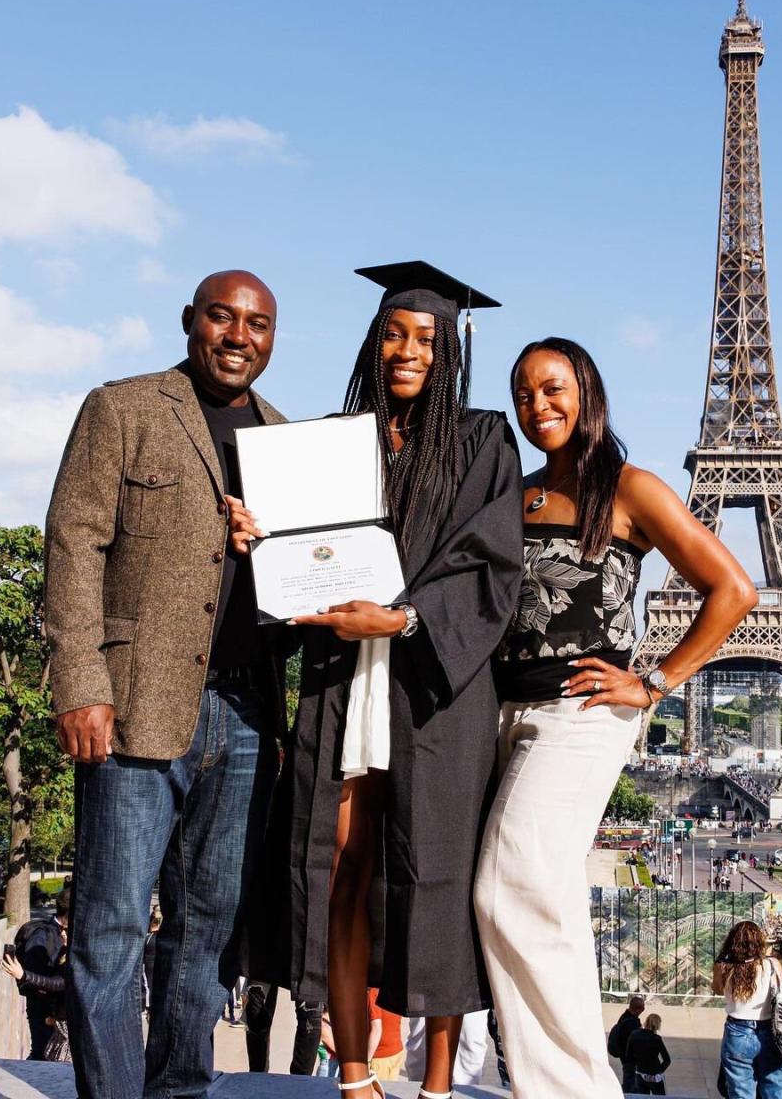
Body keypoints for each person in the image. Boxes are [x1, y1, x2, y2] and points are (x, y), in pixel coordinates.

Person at [233, 261, 524, 1099]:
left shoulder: (483, 442)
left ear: (451, 354)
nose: (408, 351)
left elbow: (488, 569)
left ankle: (437, 1081)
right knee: (343, 865)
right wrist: (260, 539)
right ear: (373, 340)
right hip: (341, 674)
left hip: (433, 680)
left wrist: (400, 619)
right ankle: (355, 1074)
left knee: (436, 873)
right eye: (394, 333)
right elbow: (292, 558)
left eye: (427, 340)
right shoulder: (332, 439)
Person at [473, 337, 757, 1098]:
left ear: (587, 392)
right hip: (505, 710)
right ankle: (575, 1083)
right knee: (549, 898)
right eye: (525, 392)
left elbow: (733, 589)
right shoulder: (516, 494)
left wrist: (656, 681)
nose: (540, 406)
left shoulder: (631, 488)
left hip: (583, 711)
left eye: (555, 388)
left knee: (509, 885)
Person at [45, 271, 285, 1099]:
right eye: (222, 316)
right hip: (133, 702)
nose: (237, 335)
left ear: (272, 338)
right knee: (110, 927)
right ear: (191, 321)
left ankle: (178, 1089)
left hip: (248, 714)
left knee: (209, 930)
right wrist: (80, 681)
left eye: (257, 324)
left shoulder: (286, 443)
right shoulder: (124, 409)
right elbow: (72, 545)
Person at [713, 921, 782, 1099]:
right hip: (771, 1031)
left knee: (740, 1092)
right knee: (776, 1088)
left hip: (737, 1031)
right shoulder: (772, 965)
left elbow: (717, 989)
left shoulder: (724, 966)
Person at [1, 888, 71, 1060]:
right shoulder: (42, 936)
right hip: (44, 1011)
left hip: (58, 1011)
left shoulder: (64, 935)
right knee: (42, 1053)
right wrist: (49, 1014)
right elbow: (41, 980)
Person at [624, 1012, 671, 1095]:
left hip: (640, 1073)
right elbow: (667, 1060)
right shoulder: (657, 1039)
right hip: (655, 1076)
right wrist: (659, 1070)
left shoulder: (634, 1034)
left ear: (646, 1021)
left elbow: (628, 1056)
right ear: (657, 1025)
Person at [607, 996, 645, 1093]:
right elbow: (635, 1042)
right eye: (642, 1008)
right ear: (638, 1009)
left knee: (630, 1082)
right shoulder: (631, 1023)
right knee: (630, 1084)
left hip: (625, 1057)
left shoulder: (624, 1018)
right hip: (630, 1059)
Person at [367, 988, 404, 1082]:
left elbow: (376, 1029)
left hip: (380, 1057)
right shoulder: (394, 988)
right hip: (397, 1051)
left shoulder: (373, 992)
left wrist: (366, 1061)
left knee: (377, 1093)